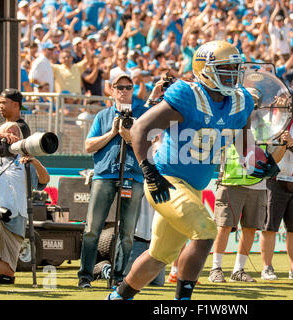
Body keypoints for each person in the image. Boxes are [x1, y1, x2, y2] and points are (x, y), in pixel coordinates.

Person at [106, 40, 279, 300]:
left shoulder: (241, 101)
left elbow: (245, 146)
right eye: (226, 68)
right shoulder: (189, 95)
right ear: (206, 69)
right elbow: (141, 129)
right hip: (166, 180)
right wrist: (149, 172)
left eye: (236, 68)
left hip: (193, 189)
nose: (234, 74)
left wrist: (261, 163)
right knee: (207, 231)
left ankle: (117, 297)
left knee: (159, 256)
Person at [77, 73, 148, 288]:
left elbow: (151, 147)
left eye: (128, 87)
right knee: (91, 228)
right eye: (120, 87)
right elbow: (88, 146)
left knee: (127, 233)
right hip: (104, 174)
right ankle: (85, 276)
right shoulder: (103, 115)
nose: (124, 91)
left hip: (133, 175)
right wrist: (112, 133)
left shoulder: (143, 115)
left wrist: (130, 137)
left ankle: (118, 277)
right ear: (112, 89)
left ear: (133, 89)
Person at [208, 89, 284, 284]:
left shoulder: (266, 126)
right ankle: (215, 268)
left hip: (257, 184)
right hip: (231, 180)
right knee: (224, 226)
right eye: (249, 101)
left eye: (255, 102)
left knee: (250, 228)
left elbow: (273, 155)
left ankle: (238, 270)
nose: (253, 105)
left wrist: (271, 163)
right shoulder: (230, 121)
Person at [0, 121, 50, 284]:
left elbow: (44, 180)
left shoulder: (25, 162)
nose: (13, 137)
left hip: (16, 219)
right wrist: (0, 136)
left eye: (16, 134)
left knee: (5, 276)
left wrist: (35, 162)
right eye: (9, 133)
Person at [260, 114, 293, 281]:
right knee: (270, 226)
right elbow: (273, 158)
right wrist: (284, 144)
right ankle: (267, 267)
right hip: (276, 179)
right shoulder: (269, 123)